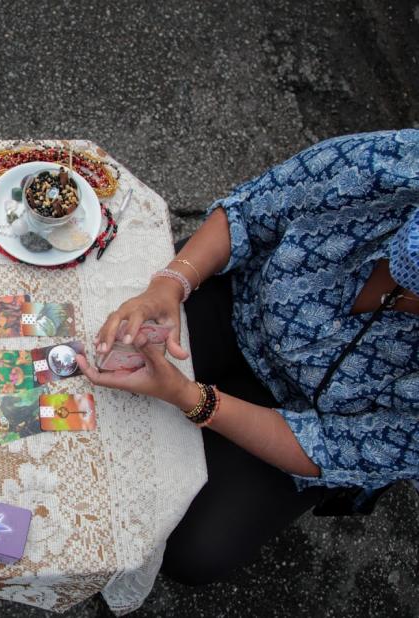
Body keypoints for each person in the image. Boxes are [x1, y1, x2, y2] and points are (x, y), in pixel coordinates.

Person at [77, 129, 419, 585]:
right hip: (240, 305)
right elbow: (252, 211)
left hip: (308, 420)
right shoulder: (393, 164)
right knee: (93, 356)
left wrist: (189, 397)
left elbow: (330, 446)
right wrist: (170, 285)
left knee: (195, 550)